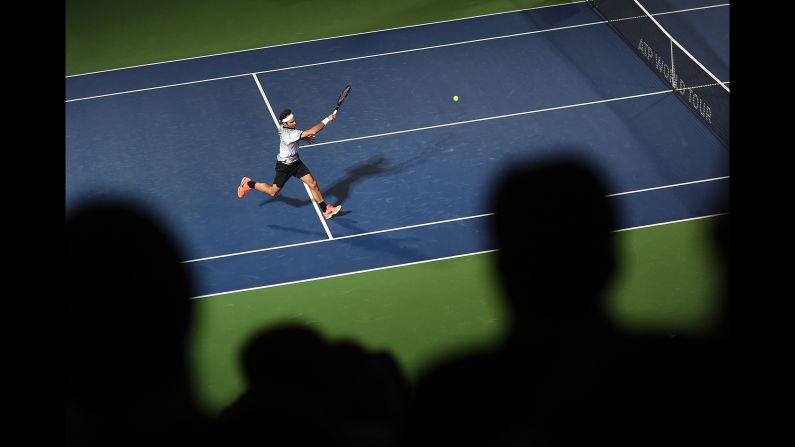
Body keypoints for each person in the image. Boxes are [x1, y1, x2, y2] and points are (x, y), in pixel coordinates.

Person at [237, 108, 342, 220]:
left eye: (294, 120)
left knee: (313, 184)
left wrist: (304, 138)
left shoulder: (284, 128)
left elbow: (297, 137)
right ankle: (248, 184)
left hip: (296, 162)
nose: (295, 122)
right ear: (285, 123)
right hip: (284, 166)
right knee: (273, 192)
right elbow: (312, 131)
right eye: (292, 122)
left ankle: (326, 210)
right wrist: (328, 119)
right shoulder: (289, 134)